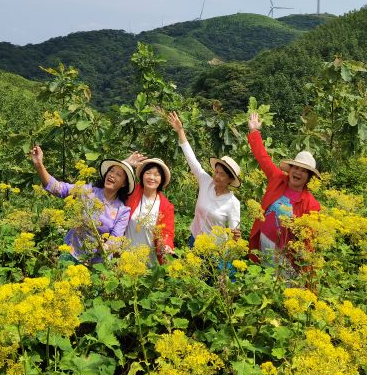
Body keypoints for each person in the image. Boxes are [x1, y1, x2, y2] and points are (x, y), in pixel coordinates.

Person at [29, 145, 133, 262]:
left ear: (124, 184)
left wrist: (105, 247)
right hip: (71, 254)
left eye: (118, 174)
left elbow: (116, 239)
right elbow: (58, 188)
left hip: (97, 264)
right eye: (111, 171)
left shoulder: (123, 211)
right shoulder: (87, 191)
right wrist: (39, 164)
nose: (112, 175)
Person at [246, 111, 322, 272]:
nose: (298, 172)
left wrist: (308, 271)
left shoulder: (311, 204)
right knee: (261, 282)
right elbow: (263, 158)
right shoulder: (278, 179)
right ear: (290, 169)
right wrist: (254, 131)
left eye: (303, 170)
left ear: (308, 177)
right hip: (263, 242)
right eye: (295, 167)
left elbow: (308, 241)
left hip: (286, 256)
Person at [167, 112, 241, 243]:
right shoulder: (206, 181)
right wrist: (180, 130)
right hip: (194, 240)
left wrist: (236, 236)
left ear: (230, 179)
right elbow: (192, 160)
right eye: (216, 172)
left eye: (222, 174)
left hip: (214, 250)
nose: (216, 176)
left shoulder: (233, 203)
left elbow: (234, 232)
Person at [124, 157, 175, 266]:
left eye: (157, 175)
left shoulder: (166, 206)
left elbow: (167, 233)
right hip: (124, 260)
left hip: (148, 264)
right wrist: (126, 163)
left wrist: (165, 247)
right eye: (148, 173)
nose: (152, 177)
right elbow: (117, 177)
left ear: (161, 180)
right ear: (142, 175)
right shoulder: (132, 191)